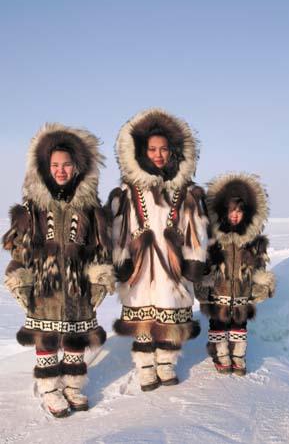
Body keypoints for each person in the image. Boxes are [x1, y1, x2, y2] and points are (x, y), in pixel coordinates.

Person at [3, 123, 115, 417]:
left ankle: (73, 385)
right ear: (45, 167)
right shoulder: (33, 207)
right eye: (55, 165)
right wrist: (19, 277)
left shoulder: (91, 208)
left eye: (67, 164)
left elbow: (100, 248)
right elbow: (20, 249)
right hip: (45, 288)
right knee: (47, 338)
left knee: (75, 337)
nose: (61, 170)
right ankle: (50, 388)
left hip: (78, 287)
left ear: (78, 167)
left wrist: (100, 278)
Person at [108, 108, 208, 391]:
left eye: (164, 149)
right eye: (152, 149)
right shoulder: (128, 191)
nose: (159, 154)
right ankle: (145, 367)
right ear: (142, 151)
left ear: (174, 151)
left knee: (171, 315)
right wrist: (121, 259)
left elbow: (196, 228)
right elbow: (119, 228)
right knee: (143, 319)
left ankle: (166, 363)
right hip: (140, 266)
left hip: (172, 264)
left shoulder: (186, 190)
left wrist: (194, 261)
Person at [195, 173, 275, 375]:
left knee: (239, 325)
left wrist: (261, 284)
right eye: (231, 211)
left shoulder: (252, 239)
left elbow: (259, 265)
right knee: (218, 324)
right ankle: (221, 355)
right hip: (217, 290)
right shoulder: (214, 237)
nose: (235, 215)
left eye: (239, 211)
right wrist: (202, 282)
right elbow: (204, 261)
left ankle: (238, 357)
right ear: (224, 211)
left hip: (242, 292)